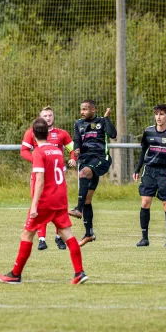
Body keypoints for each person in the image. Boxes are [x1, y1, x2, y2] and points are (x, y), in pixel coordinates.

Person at [0, 117, 88, 285]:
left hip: (46, 201)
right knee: (67, 234)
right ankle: (79, 272)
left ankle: (15, 274)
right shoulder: (56, 151)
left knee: (27, 234)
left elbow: (40, 180)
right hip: (60, 198)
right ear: (47, 132)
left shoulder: (38, 152)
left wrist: (34, 205)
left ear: (33, 134)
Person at [21, 106, 76, 251]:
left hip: (57, 177)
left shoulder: (61, 133)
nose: (48, 118)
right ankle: (42, 239)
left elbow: (73, 149)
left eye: (50, 115)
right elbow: (24, 151)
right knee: (41, 204)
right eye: (45, 115)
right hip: (39, 174)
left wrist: (73, 158)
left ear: (53, 117)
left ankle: (59, 238)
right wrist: (36, 160)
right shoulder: (32, 133)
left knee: (52, 205)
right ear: (40, 118)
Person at [68, 99, 117, 247]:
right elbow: (77, 140)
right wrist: (76, 149)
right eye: (81, 109)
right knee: (88, 199)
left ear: (93, 110)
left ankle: (78, 208)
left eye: (85, 109)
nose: (82, 112)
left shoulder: (101, 121)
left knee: (83, 173)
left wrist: (107, 118)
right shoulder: (78, 124)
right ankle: (89, 233)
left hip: (101, 158)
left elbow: (113, 134)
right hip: (85, 159)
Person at [133, 104, 166, 247]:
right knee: (145, 202)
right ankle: (144, 238)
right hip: (149, 171)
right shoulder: (148, 132)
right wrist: (137, 170)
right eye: (156, 114)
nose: (158, 117)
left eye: (162, 114)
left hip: (165, 172)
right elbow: (143, 152)